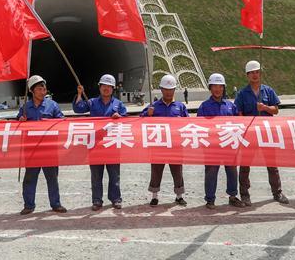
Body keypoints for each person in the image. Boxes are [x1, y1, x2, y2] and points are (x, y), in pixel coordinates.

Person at [234, 60, 288, 204]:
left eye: (257, 72)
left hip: (266, 133)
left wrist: (265, 108)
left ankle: (277, 192)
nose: (255, 75)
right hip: (250, 134)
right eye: (252, 73)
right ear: (247, 75)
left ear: (260, 73)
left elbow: (276, 110)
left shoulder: (268, 91)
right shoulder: (242, 94)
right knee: (245, 165)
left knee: (272, 164)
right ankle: (245, 194)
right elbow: (238, 113)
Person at [74, 74, 128, 210]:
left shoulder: (118, 104)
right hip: (95, 145)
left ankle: (115, 198)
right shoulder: (91, 102)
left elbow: (126, 120)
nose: (106, 89)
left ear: (113, 89)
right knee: (96, 175)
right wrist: (80, 94)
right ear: (99, 87)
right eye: (104, 86)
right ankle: (97, 200)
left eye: (109, 86)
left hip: (112, 144)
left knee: (114, 174)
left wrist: (119, 117)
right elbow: (78, 109)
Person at [19, 75, 67, 214]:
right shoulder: (25, 107)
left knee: (52, 178)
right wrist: (21, 119)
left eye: (44, 89)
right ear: (32, 91)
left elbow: (61, 120)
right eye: (40, 89)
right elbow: (18, 123)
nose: (43, 91)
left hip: (49, 149)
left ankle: (55, 204)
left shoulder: (52, 105)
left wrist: (61, 121)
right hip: (31, 149)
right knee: (29, 178)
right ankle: (29, 205)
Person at [198, 73, 245, 209]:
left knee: (231, 171)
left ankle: (232, 196)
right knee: (211, 171)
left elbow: (238, 123)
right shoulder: (204, 106)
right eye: (214, 86)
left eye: (220, 86)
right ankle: (210, 199)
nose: (217, 89)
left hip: (228, 145)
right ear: (210, 88)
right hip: (212, 147)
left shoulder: (230, 106)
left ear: (224, 88)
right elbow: (200, 126)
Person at [141, 74, 188, 206]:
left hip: (175, 145)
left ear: (174, 90)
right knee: (156, 171)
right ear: (161, 90)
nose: (168, 92)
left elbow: (189, 123)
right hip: (158, 145)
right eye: (166, 89)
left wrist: (182, 121)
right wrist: (147, 114)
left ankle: (179, 196)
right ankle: (154, 196)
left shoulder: (180, 107)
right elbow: (140, 120)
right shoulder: (154, 106)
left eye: (171, 89)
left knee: (177, 171)